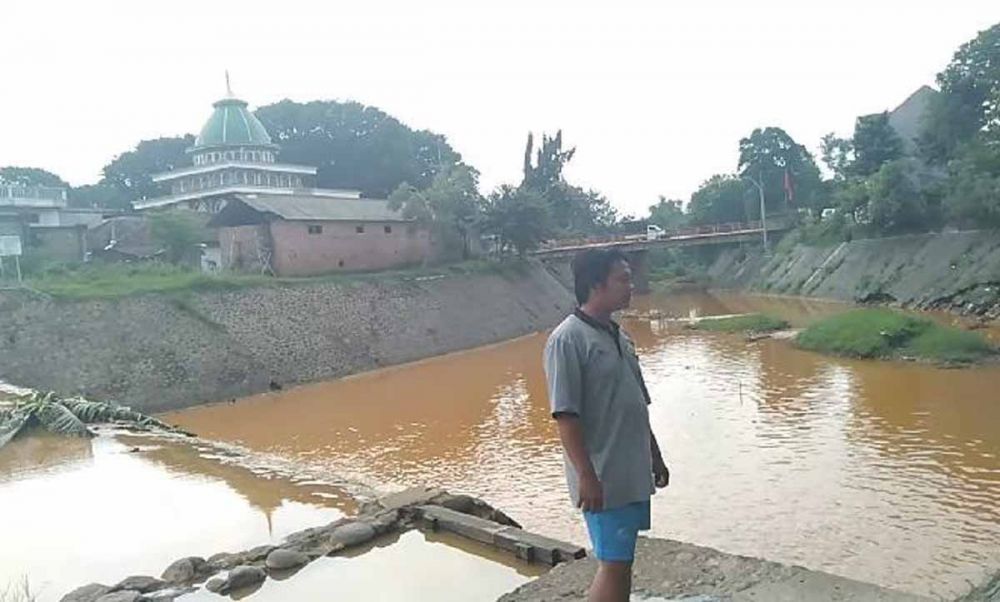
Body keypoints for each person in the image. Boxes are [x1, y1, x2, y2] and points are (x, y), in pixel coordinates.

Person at [543, 248, 669, 602]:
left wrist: (655, 456)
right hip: (603, 476)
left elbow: (636, 403)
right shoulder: (567, 340)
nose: (631, 285)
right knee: (612, 564)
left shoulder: (619, 336)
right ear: (596, 284)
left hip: (630, 472)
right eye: (622, 279)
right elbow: (565, 416)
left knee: (621, 562)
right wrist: (587, 476)